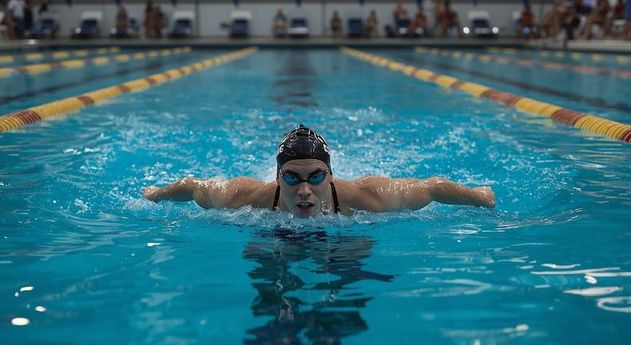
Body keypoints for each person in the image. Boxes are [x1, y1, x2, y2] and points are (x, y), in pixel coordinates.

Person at [143, 125, 496, 218]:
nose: (304, 189)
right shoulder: (249, 198)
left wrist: (478, 197)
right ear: (278, 177)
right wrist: (156, 194)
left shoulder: (366, 197)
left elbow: (431, 187)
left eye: (315, 177)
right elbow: (192, 187)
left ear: (329, 176)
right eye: (292, 178)